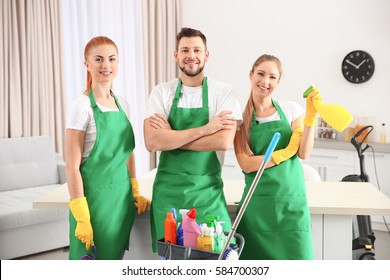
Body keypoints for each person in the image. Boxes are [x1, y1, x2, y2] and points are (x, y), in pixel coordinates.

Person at [144, 27, 243, 252]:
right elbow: (151, 142)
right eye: (185, 50)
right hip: (168, 194)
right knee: (171, 262)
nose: (191, 55)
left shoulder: (224, 92)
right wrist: (206, 129)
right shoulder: (161, 92)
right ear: (175, 55)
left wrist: (170, 137)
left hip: (207, 193)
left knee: (219, 256)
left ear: (206, 55)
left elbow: (223, 141)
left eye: (197, 50)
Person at [65, 36, 150, 260]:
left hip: (120, 201)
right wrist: (81, 215)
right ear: (87, 64)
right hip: (92, 204)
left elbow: (128, 152)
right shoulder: (81, 107)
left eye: (112, 59)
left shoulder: (123, 103)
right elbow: (72, 167)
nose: (106, 65)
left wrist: (134, 188)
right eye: (99, 59)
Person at [234, 54, 320, 259]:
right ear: (251, 75)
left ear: (278, 82)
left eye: (272, 77)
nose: (265, 82)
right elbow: (246, 164)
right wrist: (283, 153)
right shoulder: (240, 118)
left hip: (291, 202)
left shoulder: (292, 110)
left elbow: (304, 152)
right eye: (261, 74)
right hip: (257, 206)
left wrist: (310, 119)